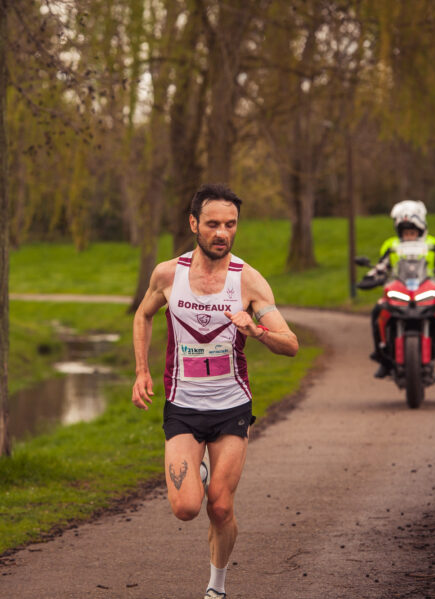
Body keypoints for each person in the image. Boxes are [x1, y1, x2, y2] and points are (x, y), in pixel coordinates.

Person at [132, 183, 298, 599]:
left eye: (230, 224)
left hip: (231, 408)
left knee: (220, 507)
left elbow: (291, 344)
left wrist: (255, 330)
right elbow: (143, 314)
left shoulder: (249, 281)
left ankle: (216, 588)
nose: (222, 233)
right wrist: (141, 371)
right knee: (186, 509)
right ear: (194, 224)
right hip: (183, 406)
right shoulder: (168, 275)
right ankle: (197, 472)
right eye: (212, 224)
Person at [358, 200, 435, 380]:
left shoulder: (432, 244)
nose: (409, 235)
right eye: (405, 231)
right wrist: (370, 277)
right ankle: (383, 358)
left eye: (412, 231)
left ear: (421, 228)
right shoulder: (391, 246)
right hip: (398, 292)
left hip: (427, 291)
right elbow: (381, 266)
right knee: (379, 310)